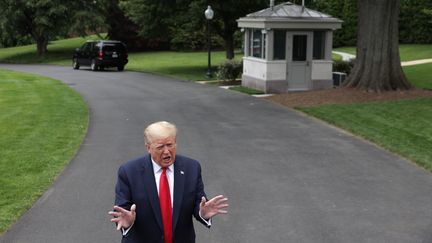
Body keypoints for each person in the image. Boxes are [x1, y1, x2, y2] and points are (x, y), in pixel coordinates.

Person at [109, 121, 229, 243]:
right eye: (160, 147)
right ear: (148, 148)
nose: (166, 151)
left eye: (170, 145)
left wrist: (202, 212)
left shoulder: (191, 168)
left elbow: (199, 202)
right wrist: (128, 222)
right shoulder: (129, 171)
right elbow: (122, 209)